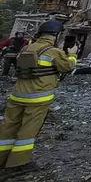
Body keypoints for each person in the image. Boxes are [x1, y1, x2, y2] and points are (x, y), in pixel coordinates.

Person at [0, 20, 77, 172]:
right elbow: (67, 67)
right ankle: (18, 162)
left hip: (17, 96)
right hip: (38, 98)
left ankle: (2, 157)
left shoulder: (26, 48)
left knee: (8, 126)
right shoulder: (53, 52)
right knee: (28, 129)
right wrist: (73, 55)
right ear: (56, 35)